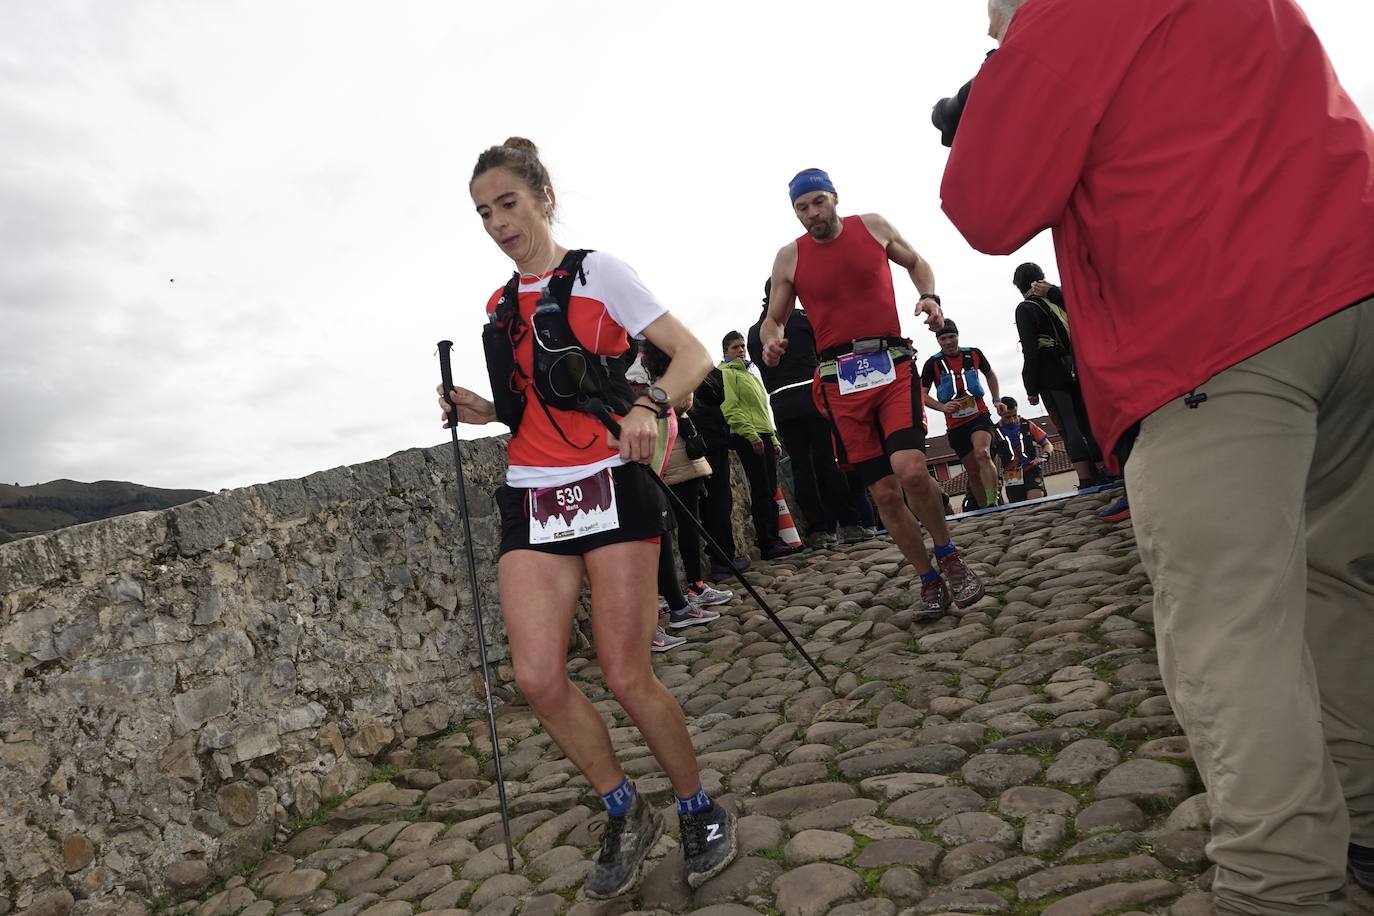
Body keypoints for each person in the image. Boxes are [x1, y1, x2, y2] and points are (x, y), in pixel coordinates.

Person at [941, 1, 1374, 907]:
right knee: (1339, 579)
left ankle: (1279, 889)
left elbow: (987, 204)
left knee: (1228, 628)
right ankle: (1366, 826)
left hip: (1214, 334)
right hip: (1354, 279)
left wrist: (1005, 67)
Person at [440, 137, 737, 898]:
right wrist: (477, 412)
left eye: (508, 203)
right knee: (537, 678)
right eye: (482, 212)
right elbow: (526, 409)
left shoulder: (599, 273)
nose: (497, 222)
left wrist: (650, 402)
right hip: (535, 491)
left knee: (625, 672)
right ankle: (622, 807)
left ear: (544, 196)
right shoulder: (498, 307)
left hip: (610, 481)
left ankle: (698, 808)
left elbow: (693, 355)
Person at [760, 168, 985, 619]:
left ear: (835, 198)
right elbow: (774, 317)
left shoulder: (873, 226)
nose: (812, 214)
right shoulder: (789, 257)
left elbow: (917, 262)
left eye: (818, 202)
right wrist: (771, 338)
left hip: (892, 364)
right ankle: (928, 580)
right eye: (802, 208)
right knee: (883, 493)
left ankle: (948, 554)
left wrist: (930, 297)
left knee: (911, 470)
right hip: (840, 380)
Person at [748, 280, 872, 548]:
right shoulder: (804, 318)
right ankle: (850, 524)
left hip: (780, 402)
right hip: (812, 393)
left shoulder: (753, 331)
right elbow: (827, 350)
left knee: (802, 467)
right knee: (828, 462)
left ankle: (818, 530)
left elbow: (762, 363)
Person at [639, 339, 734, 612]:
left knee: (668, 530)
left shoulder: (635, 374)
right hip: (676, 458)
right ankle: (692, 587)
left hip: (662, 458)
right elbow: (682, 403)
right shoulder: (665, 375)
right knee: (686, 526)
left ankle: (670, 593)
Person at [1011, 262, 1107, 491]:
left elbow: (1030, 350)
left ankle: (1085, 478)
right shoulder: (1058, 302)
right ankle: (1104, 469)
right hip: (1075, 365)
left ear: (1018, 286)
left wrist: (1030, 387)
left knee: (1069, 425)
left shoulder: (1025, 308)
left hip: (1050, 371)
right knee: (1086, 422)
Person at [719, 331, 796, 560]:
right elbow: (730, 407)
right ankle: (768, 542)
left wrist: (772, 438)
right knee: (761, 489)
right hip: (747, 436)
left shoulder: (751, 373)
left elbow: (763, 410)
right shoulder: (726, 373)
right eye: (735, 347)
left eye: (743, 346)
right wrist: (751, 435)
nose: (741, 350)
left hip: (763, 433)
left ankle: (775, 537)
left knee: (770, 489)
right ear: (725, 351)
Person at [921, 320, 1001, 509]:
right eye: (943, 338)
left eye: (952, 337)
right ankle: (985, 509)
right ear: (938, 341)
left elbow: (990, 374)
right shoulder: (932, 363)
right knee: (972, 470)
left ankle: (993, 500)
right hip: (956, 424)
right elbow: (920, 394)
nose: (949, 342)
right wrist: (942, 407)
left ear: (957, 336)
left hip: (979, 415)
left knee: (983, 453)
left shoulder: (974, 353)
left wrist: (996, 399)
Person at [688, 367, 752, 580]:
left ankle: (715, 559)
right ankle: (723, 559)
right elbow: (718, 391)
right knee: (718, 498)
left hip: (689, 438)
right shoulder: (696, 369)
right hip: (708, 438)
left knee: (703, 502)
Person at [993, 397, 1052, 502]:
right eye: (1007, 417)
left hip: (1031, 469)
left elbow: (1047, 444)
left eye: (1014, 416)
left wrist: (1044, 456)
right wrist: (997, 478)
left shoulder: (1026, 424)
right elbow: (993, 457)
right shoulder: (995, 431)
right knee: (1019, 508)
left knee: (1035, 502)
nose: (1012, 420)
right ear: (1000, 413)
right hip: (1011, 476)